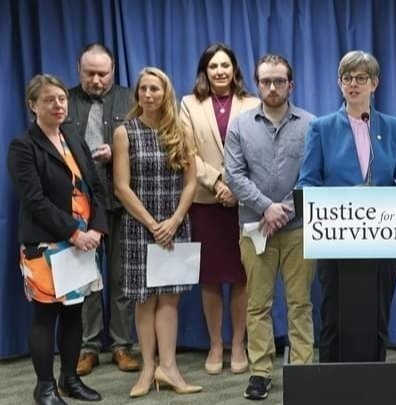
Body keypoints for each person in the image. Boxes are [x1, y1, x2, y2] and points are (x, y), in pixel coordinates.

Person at [297, 50, 396, 363]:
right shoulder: (321, 128)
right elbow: (307, 183)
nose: (353, 84)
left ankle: (374, 376)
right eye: (347, 78)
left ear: (374, 84)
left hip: (383, 237)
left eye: (361, 78)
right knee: (333, 314)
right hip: (335, 237)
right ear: (340, 83)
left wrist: (388, 201)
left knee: (377, 313)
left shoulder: (394, 128)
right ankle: (330, 380)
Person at [8, 74, 105, 404]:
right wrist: (74, 232)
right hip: (47, 243)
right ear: (33, 105)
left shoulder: (72, 136)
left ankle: (70, 379)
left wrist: (96, 229)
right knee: (45, 316)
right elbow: (34, 200)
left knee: (74, 314)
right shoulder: (23, 146)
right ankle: (45, 387)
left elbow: (94, 187)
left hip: (84, 241)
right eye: (49, 100)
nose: (58, 105)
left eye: (62, 99)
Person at [225, 53, 316, 400]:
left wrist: (284, 210)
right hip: (255, 227)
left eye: (279, 81)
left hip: (300, 228)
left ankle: (303, 368)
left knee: (300, 303)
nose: (273, 87)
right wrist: (266, 207)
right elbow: (234, 175)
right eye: (266, 81)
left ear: (291, 85)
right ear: (257, 84)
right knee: (258, 303)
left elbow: (313, 175)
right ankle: (260, 372)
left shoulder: (311, 124)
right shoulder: (240, 125)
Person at [113, 67, 201, 397]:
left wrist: (175, 220)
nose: (148, 95)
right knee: (145, 300)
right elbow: (121, 187)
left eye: (155, 89)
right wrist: (152, 224)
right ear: (137, 93)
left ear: (166, 94)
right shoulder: (125, 132)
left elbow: (191, 182)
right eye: (143, 89)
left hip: (175, 226)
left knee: (169, 300)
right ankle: (147, 368)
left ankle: (169, 368)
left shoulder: (180, 131)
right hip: (139, 228)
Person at [180, 42, 260, 376]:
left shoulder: (253, 103)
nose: (220, 71)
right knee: (210, 277)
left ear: (235, 69)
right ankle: (215, 344)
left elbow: (259, 152)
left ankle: (238, 344)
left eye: (225, 65)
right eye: (213, 66)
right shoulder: (188, 104)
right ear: (205, 70)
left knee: (242, 276)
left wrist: (236, 189)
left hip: (244, 205)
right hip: (206, 202)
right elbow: (187, 152)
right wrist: (216, 182)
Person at [65, 42, 139, 376]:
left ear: (113, 71)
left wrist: (120, 151)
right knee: (87, 280)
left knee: (122, 277)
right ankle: (88, 348)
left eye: (103, 74)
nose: (96, 80)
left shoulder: (131, 98)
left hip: (122, 202)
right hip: (80, 207)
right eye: (89, 73)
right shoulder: (63, 101)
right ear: (79, 70)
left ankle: (122, 346)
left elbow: (149, 142)